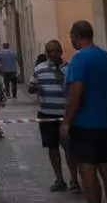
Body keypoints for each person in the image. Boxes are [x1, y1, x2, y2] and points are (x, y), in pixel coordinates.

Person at [63, 20, 107, 203]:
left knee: (87, 170)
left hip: (85, 125)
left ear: (74, 36)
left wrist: (66, 121)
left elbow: (75, 92)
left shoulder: (78, 59)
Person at [29, 39, 79, 193]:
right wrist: (35, 88)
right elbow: (31, 87)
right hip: (47, 114)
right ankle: (59, 180)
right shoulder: (39, 69)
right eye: (50, 51)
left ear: (61, 52)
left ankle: (74, 180)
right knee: (52, 148)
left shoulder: (70, 68)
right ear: (46, 53)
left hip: (66, 116)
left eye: (56, 50)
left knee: (70, 149)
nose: (53, 53)